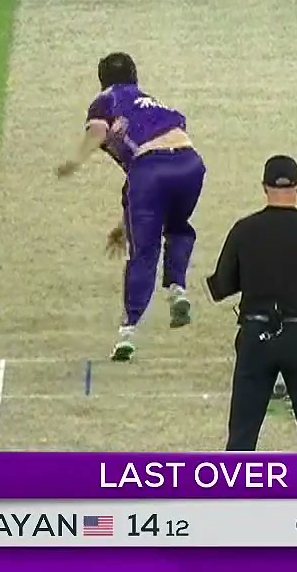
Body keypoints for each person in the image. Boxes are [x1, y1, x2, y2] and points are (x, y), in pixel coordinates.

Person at [57, 52, 207, 361]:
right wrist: (124, 224)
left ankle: (128, 333)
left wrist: (76, 161)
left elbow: (99, 133)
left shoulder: (106, 100)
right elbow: (138, 190)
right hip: (191, 164)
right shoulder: (154, 104)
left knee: (144, 253)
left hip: (150, 168)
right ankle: (177, 289)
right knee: (178, 228)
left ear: (102, 80)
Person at [206, 155, 297, 450]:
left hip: (257, 337)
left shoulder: (244, 229)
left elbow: (221, 287)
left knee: (242, 437)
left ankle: (233, 481)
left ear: (264, 187)